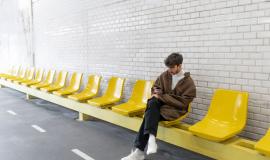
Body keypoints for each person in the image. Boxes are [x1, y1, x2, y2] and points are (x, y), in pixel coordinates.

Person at [121, 53, 196, 160]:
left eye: (172, 67)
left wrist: (162, 96)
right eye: (168, 67)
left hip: (175, 109)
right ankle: (151, 139)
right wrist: (158, 93)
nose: (169, 70)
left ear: (179, 65)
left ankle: (140, 151)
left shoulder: (188, 82)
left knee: (149, 115)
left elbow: (183, 102)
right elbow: (155, 89)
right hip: (160, 106)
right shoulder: (165, 75)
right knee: (152, 102)